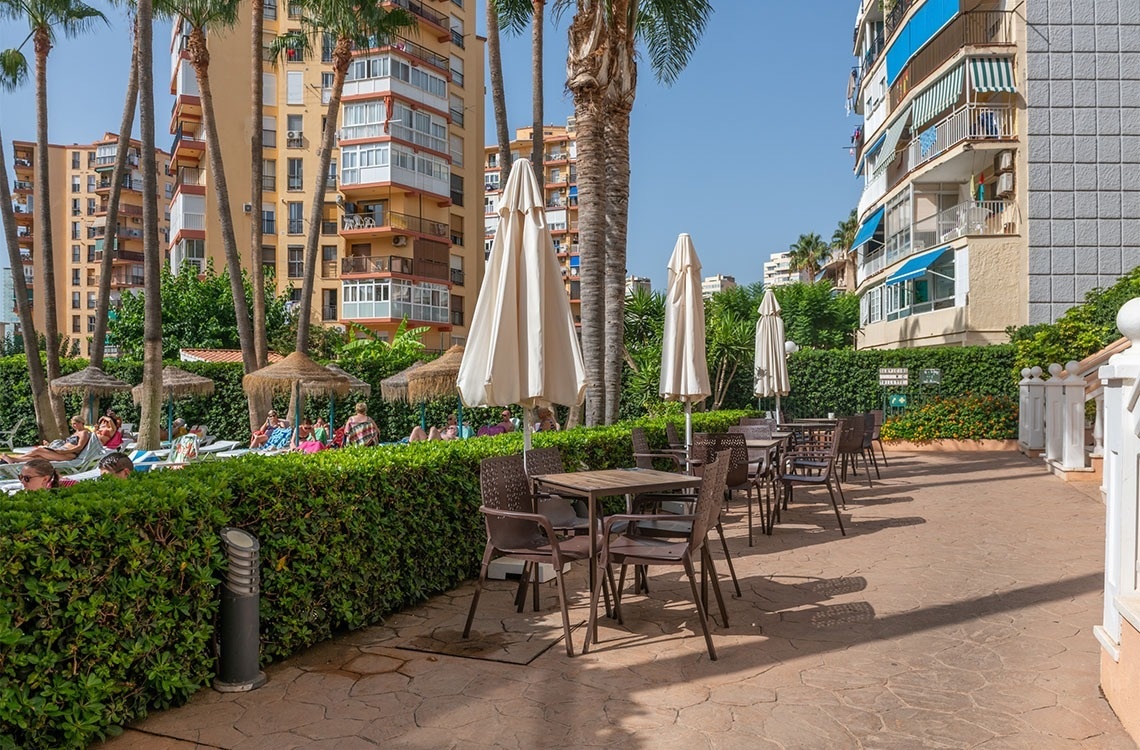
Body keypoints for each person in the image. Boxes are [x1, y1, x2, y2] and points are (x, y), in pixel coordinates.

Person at [3, 415, 92, 463]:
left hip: (69, 455)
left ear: (82, 423)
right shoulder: (75, 433)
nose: (74, 425)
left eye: (76, 423)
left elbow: (80, 447)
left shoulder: (84, 433)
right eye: (72, 424)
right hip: (61, 451)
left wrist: (63, 452)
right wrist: (50, 446)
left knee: (38, 450)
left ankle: (12, 458)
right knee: (38, 458)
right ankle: (12, 460)